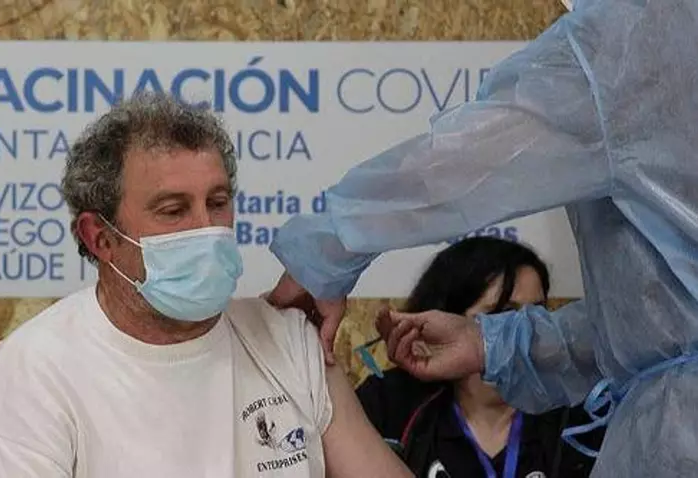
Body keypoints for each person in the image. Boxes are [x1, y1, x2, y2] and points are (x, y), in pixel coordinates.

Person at [265, 0, 698, 475]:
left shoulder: (638, 35)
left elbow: (459, 167)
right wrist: (494, 345)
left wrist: (324, 252)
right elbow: (665, 323)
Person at [0, 92, 413, 478]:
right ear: (100, 238)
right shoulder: (34, 374)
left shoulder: (287, 340)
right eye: (173, 211)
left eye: (217, 203)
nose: (206, 230)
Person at [356, 237, 603, 477]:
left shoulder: (580, 413)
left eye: (538, 317)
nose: (527, 334)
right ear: (445, 319)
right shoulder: (389, 404)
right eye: (503, 315)